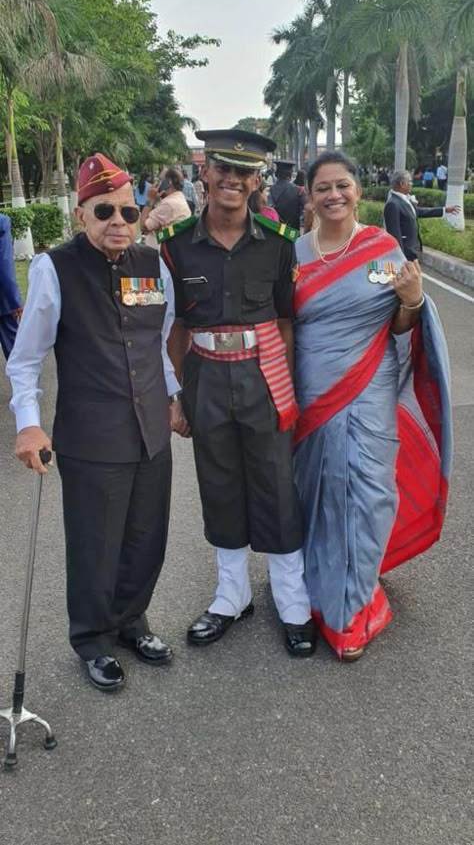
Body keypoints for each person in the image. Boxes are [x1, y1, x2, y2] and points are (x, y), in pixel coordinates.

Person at [6, 153, 186, 692]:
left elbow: (157, 342)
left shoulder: (154, 266)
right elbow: (26, 359)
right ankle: (91, 638)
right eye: (103, 210)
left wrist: (174, 396)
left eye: (128, 213)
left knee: (146, 537)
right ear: (80, 214)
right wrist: (29, 423)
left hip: (150, 426)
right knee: (95, 543)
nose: (118, 223)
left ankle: (132, 621)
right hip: (92, 434)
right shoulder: (53, 269)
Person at [162, 129, 316, 657]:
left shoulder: (278, 245)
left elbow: (287, 320)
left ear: (257, 181)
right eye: (222, 169)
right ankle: (231, 595)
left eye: (244, 172)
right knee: (219, 483)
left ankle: (292, 599)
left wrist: (287, 384)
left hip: (265, 375)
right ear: (204, 173)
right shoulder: (176, 245)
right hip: (205, 377)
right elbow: (173, 328)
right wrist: (180, 393)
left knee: (275, 483)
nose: (232, 180)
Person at [293, 151, 452, 661]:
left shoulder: (384, 250)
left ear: (358, 191)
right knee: (320, 493)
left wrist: (411, 299)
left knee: (370, 493)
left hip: (370, 388)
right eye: (323, 188)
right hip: (312, 394)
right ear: (310, 196)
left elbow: (401, 328)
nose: (334, 195)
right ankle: (322, 591)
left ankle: (354, 605)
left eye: (343, 185)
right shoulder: (292, 255)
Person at [383, 170, 459, 259]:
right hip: (405, 253)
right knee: (413, 273)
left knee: (415, 273)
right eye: (409, 182)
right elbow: (394, 234)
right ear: (402, 184)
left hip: (412, 250)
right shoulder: (393, 203)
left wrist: (443, 210)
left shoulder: (404, 199)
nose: (411, 184)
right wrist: (400, 257)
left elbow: (418, 212)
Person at [142, 167, 191, 248]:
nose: (157, 184)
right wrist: (156, 200)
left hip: (158, 253)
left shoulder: (168, 204)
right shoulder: (178, 198)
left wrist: (149, 200)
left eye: (160, 180)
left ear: (168, 183)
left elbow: (144, 227)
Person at [0, 212, 23, 359]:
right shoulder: (2, 222)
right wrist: (15, 301)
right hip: (2, 302)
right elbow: (4, 263)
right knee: (16, 355)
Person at [268, 160, 302, 229]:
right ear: (290, 174)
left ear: (276, 174)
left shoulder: (272, 189)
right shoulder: (298, 190)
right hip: (293, 231)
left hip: (277, 228)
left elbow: (269, 207)